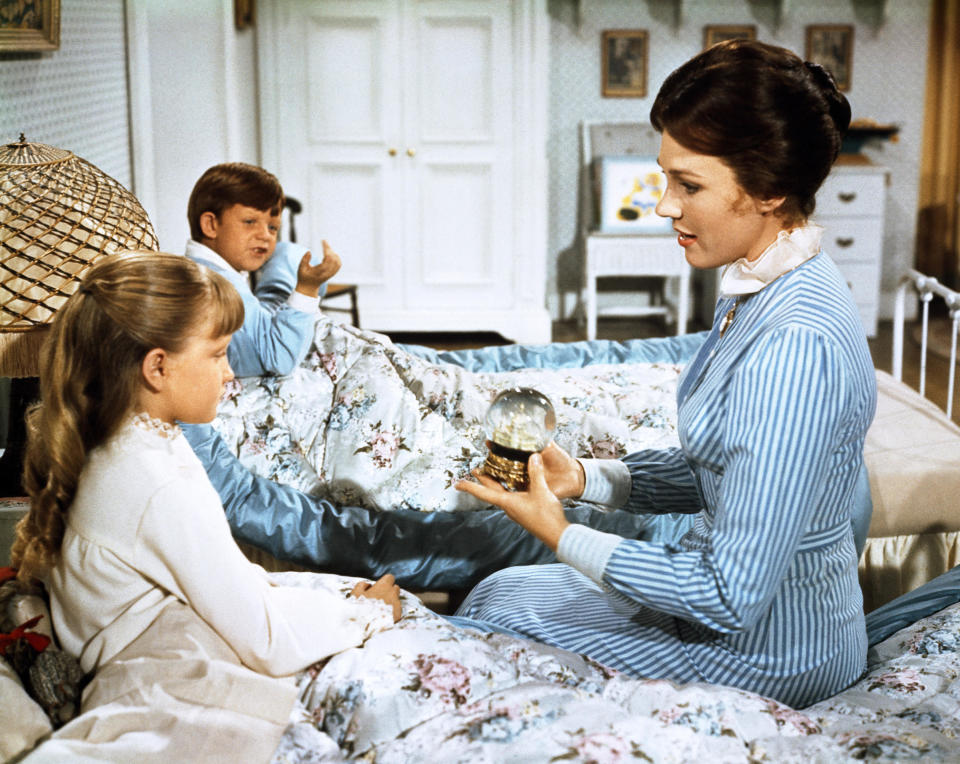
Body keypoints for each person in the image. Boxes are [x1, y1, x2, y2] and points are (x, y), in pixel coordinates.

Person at [454, 39, 875, 709]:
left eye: (690, 185)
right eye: (665, 177)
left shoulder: (794, 343)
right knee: (500, 590)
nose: (663, 206)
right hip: (726, 618)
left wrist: (560, 531)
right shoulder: (764, 281)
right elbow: (728, 464)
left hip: (773, 650)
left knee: (484, 633)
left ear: (768, 190)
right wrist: (589, 480)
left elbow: (729, 593)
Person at [10, 252, 401, 758]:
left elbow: (225, 579)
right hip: (170, 667)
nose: (230, 373)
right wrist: (365, 618)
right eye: (218, 354)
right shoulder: (151, 479)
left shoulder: (136, 438)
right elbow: (266, 640)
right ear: (158, 367)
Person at [184, 161, 342, 377]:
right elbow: (280, 359)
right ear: (210, 225)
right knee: (290, 256)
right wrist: (307, 288)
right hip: (273, 319)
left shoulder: (200, 270)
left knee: (286, 253)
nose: (265, 235)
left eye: (273, 227)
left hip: (267, 311)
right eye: (250, 221)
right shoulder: (220, 287)